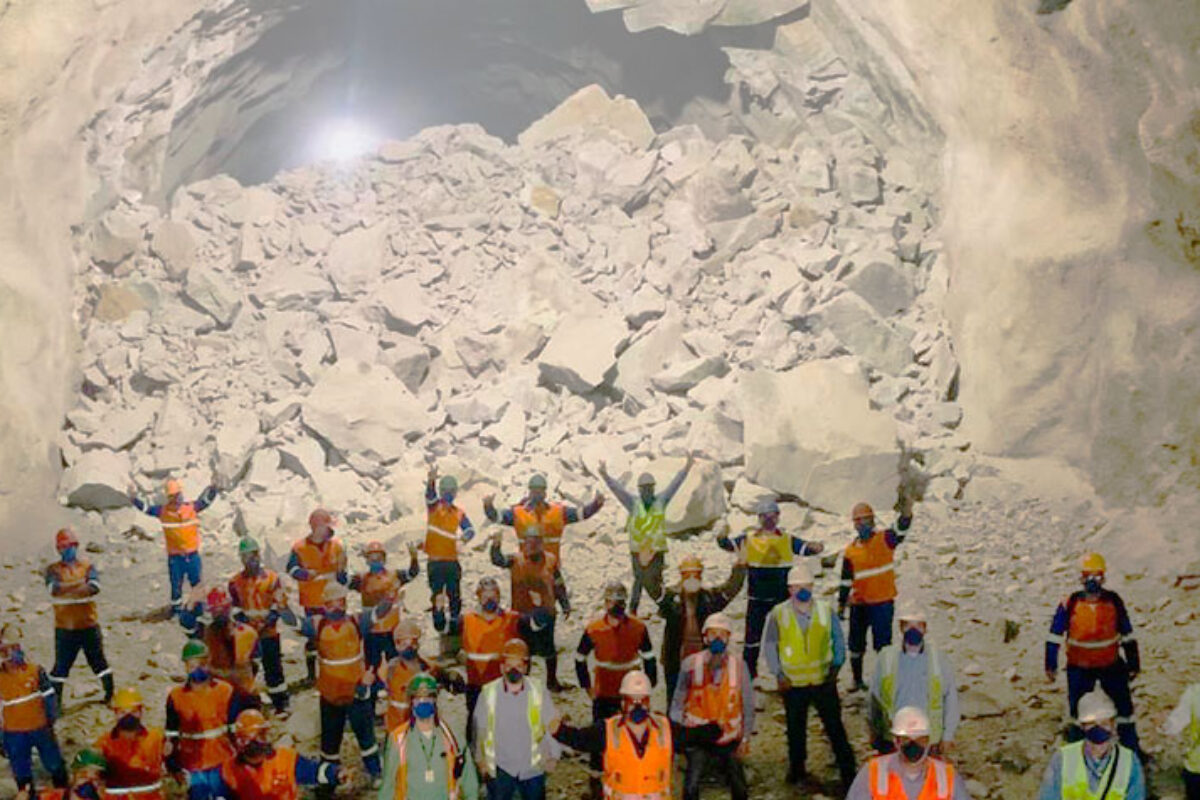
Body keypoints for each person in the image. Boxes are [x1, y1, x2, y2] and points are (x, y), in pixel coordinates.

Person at [762, 562, 856, 789]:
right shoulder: (778, 614)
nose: (802, 590)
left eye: (805, 585)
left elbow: (838, 641)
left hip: (823, 680)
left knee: (834, 728)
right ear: (789, 589)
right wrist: (778, 674)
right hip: (793, 684)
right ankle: (797, 772)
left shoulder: (825, 610)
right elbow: (771, 645)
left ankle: (849, 773)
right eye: (797, 586)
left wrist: (835, 667)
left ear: (812, 586)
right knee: (796, 730)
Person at [717, 497, 824, 678]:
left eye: (772, 516)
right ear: (758, 518)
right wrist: (721, 536)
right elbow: (727, 545)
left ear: (778, 517)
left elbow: (807, 549)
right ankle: (750, 675)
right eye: (764, 516)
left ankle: (786, 672)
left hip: (782, 600)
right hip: (757, 598)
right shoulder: (749, 538)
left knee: (785, 637)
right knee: (752, 640)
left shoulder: (787, 539)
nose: (768, 520)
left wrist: (817, 546)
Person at [1046, 552, 1142, 752]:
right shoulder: (1070, 603)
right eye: (1088, 575)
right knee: (1077, 713)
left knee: (1124, 710)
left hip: (1111, 665)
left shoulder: (1113, 601)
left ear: (1103, 577)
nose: (1092, 580)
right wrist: (1050, 663)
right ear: (1080, 577)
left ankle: (1132, 751)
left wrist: (1133, 663)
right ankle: (1075, 752)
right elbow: (1054, 635)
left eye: (1097, 575)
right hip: (1080, 668)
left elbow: (1127, 634)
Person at [574, 581, 656, 799]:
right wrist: (587, 687)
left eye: (619, 602)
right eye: (612, 602)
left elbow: (649, 658)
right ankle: (596, 783)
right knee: (599, 738)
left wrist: (647, 687)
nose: (616, 607)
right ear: (605, 602)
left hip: (630, 693)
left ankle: (629, 778)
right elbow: (579, 658)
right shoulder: (594, 629)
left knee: (632, 734)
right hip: (604, 692)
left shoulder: (638, 628)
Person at [302, 582, 382, 791]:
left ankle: (376, 773)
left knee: (366, 737)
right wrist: (282, 608)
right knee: (330, 741)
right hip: (330, 693)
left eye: (341, 602)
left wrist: (390, 600)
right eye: (332, 603)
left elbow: (377, 614)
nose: (337, 607)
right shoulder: (317, 625)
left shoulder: (356, 621)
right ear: (324, 604)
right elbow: (296, 624)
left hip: (356, 690)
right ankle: (328, 779)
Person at [669, 613, 754, 800]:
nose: (717, 638)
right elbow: (678, 700)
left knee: (739, 785)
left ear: (728, 638)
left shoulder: (739, 666)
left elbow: (748, 705)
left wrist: (745, 738)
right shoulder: (690, 664)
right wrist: (682, 732)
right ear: (705, 637)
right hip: (699, 736)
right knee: (691, 784)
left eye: (722, 634)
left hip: (728, 737)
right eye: (713, 633)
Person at [551, 671, 674, 800]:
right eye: (632, 701)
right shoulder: (608, 730)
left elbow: (691, 738)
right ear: (622, 702)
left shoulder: (665, 729)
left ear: (649, 702)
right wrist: (557, 730)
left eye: (642, 700)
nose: (638, 706)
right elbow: (579, 739)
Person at [597, 455, 694, 615]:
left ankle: (663, 607)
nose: (647, 491)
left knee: (655, 580)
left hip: (656, 549)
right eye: (644, 488)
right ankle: (635, 609)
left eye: (649, 488)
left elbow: (675, 485)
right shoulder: (633, 503)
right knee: (639, 579)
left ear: (653, 488)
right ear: (640, 489)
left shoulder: (661, 501)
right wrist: (605, 475)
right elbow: (618, 490)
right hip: (638, 550)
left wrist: (687, 468)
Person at [839, 494, 915, 691]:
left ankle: (884, 681)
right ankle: (857, 680)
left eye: (866, 519)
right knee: (856, 645)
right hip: (859, 604)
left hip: (882, 602)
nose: (862, 523)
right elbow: (845, 580)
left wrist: (907, 512)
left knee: (883, 644)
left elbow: (901, 528)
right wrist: (841, 604)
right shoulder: (850, 551)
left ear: (872, 520)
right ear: (854, 524)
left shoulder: (885, 539)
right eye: (858, 520)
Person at [650, 549, 746, 702]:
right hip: (676, 660)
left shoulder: (709, 599)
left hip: (704, 660)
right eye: (688, 575)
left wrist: (740, 569)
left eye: (696, 574)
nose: (692, 579)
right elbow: (654, 590)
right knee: (676, 699)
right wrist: (648, 566)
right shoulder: (671, 600)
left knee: (703, 700)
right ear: (681, 576)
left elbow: (729, 591)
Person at [472, 639, 559, 800]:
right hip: (500, 767)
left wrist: (553, 755)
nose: (514, 670)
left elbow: (552, 724)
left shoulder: (538, 691)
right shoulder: (488, 693)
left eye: (518, 666)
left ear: (526, 668)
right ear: (502, 667)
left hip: (532, 768)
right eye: (509, 665)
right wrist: (480, 761)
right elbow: (480, 730)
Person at [437, 578, 521, 738]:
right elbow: (443, 627)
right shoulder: (467, 620)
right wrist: (439, 612)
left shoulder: (511, 619)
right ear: (479, 597)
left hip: (503, 683)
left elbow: (535, 626)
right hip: (476, 683)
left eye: (493, 595)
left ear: (499, 596)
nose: (490, 599)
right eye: (485, 596)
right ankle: (472, 754)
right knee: (475, 721)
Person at [869, 607, 959, 757]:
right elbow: (874, 698)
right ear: (901, 628)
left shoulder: (938, 659)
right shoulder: (886, 657)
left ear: (925, 629)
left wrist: (947, 735)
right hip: (894, 737)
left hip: (928, 739)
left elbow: (950, 698)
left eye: (918, 625)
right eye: (908, 625)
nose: (913, 630)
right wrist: (873, 731)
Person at [490, 528, 571, 691]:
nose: (533, 546)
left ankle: (551, 681)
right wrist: (495, 545)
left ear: (542, 543)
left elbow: (558, 583)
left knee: (549, 649)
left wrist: (564, 603)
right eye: (530, 542)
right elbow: (498, 560)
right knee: (523, 650)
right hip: (522, 613)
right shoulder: (516, 560)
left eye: (536, 542)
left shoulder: (550, 560)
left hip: (546, 612)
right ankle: (523, 681)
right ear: (524, 543)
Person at [378, 673, 480, 799]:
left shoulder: (453, 736)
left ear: (435, 700)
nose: (423, 702)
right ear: (411, 702)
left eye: (428, 698)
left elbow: (469, 780)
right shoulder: (398, 739)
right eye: (418, 698)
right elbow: (388, 785)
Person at [128, 476, 219, 615]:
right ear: (169, 497)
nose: (177, 498)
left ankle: (198, 608)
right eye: (174, 496)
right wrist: (134, 499)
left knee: (196, 583)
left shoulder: (191, 508)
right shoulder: (163, 511)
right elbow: (146, 509)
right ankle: (176, 610)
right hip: (175, 557)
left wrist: (213, 489)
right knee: (176, 584)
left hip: (192, 555)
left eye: (178, 494)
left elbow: (205, 502)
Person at [44, 528, 113, 705]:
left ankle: (110, 695)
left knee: (99, 663)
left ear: (77, 546)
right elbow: (53, 589)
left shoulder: (87, 566)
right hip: (65, 629)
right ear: (58, 548)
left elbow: (94, 587)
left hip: (88, 625)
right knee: (60, 668)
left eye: (71, 545)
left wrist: (67, 589)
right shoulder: (53, 569)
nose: (68, 549)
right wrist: (79, 588)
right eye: (64, 546)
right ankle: (55, 703)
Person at [165, 640, 240, 800]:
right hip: (192, 765)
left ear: (209, 662)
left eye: (202, 664)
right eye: (192, 665)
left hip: (222, 761)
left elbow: (236, 730)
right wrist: (171, 764)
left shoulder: (225, 691)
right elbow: (170, 734)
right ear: (185, 667)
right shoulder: (176, 696)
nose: (198, 669)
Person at [1037, 690, 1145, 800]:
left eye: (1104, 723)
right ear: (1082, 726)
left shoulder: (1129, 762)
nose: (1098, 729)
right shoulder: (1062, 759)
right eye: (1092, 724)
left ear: (1113, 725)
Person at [846, 706, 970, 800]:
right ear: (896, 741)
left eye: (920, 739)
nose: (914, 745)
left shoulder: (946, 776)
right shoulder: (874, 772)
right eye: (907, 739)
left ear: (928, 740)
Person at [218, 708, 346, 799]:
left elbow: (312, 771)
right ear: (243, 743)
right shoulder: (229, 771)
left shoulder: (285, 758)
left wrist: (335, 773)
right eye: (260, 735)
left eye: (264, 734)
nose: (265, 739)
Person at [0, 624, 67, 795]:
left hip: (41, 728)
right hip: (13, 733)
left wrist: (50, 720)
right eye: (10, 647)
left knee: (54, 763)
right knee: (21, 769)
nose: (15, 651)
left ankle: (63, 792)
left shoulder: (35, 671)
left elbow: (49, 696)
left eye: (17, 646)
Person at [229, 538, 294, 713]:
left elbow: (278, 603)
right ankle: (247, 702)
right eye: (247, 556)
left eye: (254, 555)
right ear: (242, 558)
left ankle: (281, 702)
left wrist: (267, 621)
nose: (252, 559)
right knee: (249, 668)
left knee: (273, 667)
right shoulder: (235, 582)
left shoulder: (272, 578)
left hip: (268, 631)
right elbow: (235, 608)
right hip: (248, 634)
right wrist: (247, 625)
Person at [483, 474, 603, 563]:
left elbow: (581, 514)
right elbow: (496, 517)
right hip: (526, 568)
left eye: (540, 491)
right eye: (534, 491)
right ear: (529, 492)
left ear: (545, 493)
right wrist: (488, 506)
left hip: (551, 568)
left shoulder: (557, 512)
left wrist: (596, 504)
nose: (537, 495)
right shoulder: (519, 513)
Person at [288, 509, 348, 683]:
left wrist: (342, 574)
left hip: (333, 599)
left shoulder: (337, 545)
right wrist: (304, 574)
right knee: (313, 637)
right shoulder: (300, 548)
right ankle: (311, 674)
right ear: (316, 527)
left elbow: (343, 573)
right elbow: (291, 569)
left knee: (335, 635)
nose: (328, 530)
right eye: (325, 526)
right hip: (312, 599)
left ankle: (334, 669)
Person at [178, 586, 260, 707]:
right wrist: (191, 605)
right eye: (216, 611)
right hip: (219, 696)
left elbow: (255, 662)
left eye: (222, 609)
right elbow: (187, 625)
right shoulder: (206, 633)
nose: (220, 614)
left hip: (244, 695)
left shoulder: (247, 633)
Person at [351, 540, 420, 677]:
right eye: (372, 557)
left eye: (379, 557)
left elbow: (412, 573)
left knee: (395, 663)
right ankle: (372, 692)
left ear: (384, 558)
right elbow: (342, 580)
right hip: (372, 631)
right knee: (371, 666)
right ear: (366, 560)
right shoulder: (361, 579)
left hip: (391, 631)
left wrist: (414, 558)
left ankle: (394, 688)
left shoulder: (395, 575)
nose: (376, 560)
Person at [423, 466, 477, 633]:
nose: (448, 493)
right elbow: (430, 497)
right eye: (446, 490)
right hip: (435, 561)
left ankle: (454, 624)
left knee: (454, 595)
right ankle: (439, 624)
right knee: (438, 595)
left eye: (451, 491)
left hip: (452, 560)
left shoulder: (458, 512)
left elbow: (470, 529)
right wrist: (431, 481)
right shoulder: (434, 508)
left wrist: (464, 539)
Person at [383, 619, 461, 734]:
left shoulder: (428, 667)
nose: (408, 647)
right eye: (404, 643)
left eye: (412, 642)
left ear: (417, 643)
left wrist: (451, 676)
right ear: (396, 645)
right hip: (398, 730)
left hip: (424, 728)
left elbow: (447, 678)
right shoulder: (391, 670)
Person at [97, 686, 166, 800]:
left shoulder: (155, 738)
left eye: (133, 711)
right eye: (123, 712)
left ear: (141, 712)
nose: (128, 716)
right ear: (115, 713)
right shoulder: (104, 743)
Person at [1162, 681, 1200, 799]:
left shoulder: (1195, 693)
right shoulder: (1195, 693)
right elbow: (1174, 724)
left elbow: (1173, 725)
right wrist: (1166, 725)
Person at [27, 748, 107, 800]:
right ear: (73, 777)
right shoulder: (52, 797)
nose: (89, 783)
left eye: (95, 779)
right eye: (83, 776)